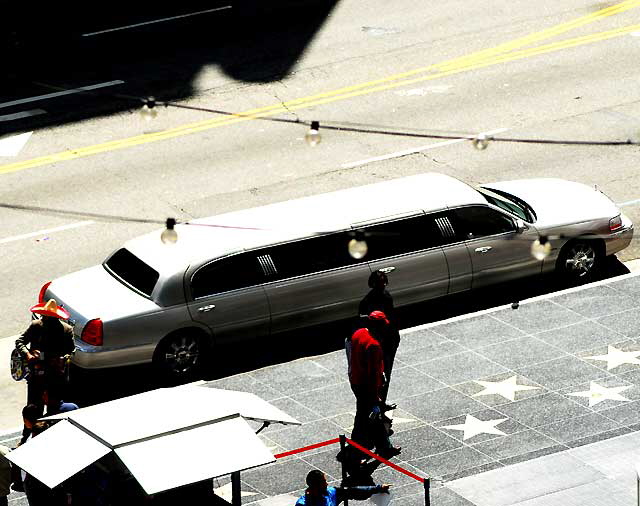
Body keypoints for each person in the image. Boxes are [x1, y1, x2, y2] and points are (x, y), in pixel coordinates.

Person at [347, 311, 400, 458]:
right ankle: (360, 449)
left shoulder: (359, 333)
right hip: (367, 387)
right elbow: (371, 375)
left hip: (356, 381)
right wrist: (376, 397)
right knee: (367, 417)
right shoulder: (374, 346)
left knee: (366, 416)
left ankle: (378, 446)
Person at [15, 299, 75, 418]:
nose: (44, 318)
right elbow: (20, 341)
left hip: (55, 377)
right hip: (37, 375)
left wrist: (63, 359)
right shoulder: (36, 326)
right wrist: (27, 354)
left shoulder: (67, 330)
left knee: (54, 411)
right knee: (33, 410)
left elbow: (72, 350)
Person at [358, 271, 400, 402]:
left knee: (385, 372)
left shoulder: (385, 298)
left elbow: (391, 319)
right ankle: (377, 400)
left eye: (383, 283)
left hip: (387, 340)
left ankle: (380, 400)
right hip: (378, 342)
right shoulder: (369, 301)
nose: (383, 286)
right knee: (378, 373)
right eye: (380, 283)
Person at [295, 470, 390, 506]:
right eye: (323, 482)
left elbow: (352, 491)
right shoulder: (302, 504)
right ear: (315, 485)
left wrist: (377, 488)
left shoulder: (330, 492)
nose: (327, 484)